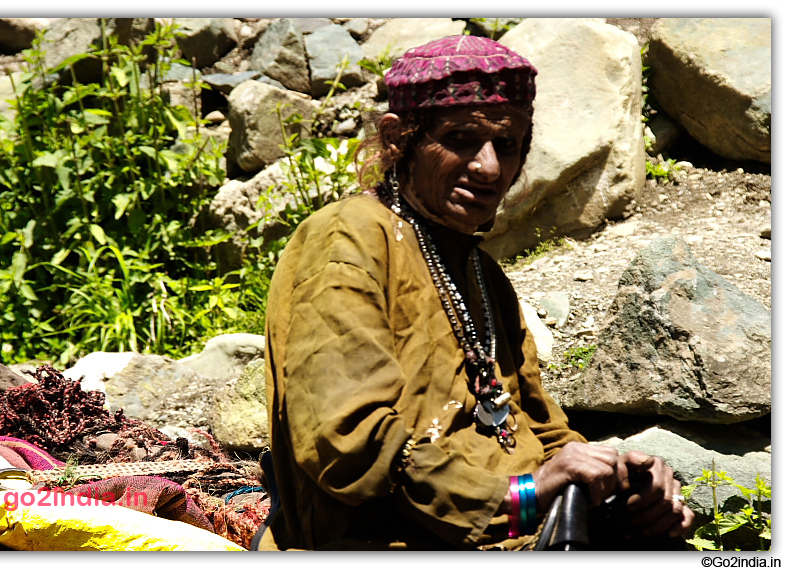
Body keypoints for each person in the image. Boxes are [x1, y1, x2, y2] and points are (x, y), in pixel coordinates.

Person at [258, 35, 694, 551]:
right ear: (400, 139)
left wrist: (615, 476)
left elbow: (539, 429)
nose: (488, 167)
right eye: (462, 138)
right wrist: (520, 495)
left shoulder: (483, 276)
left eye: (506, 146)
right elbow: (349, 446)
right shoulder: (348, 238)